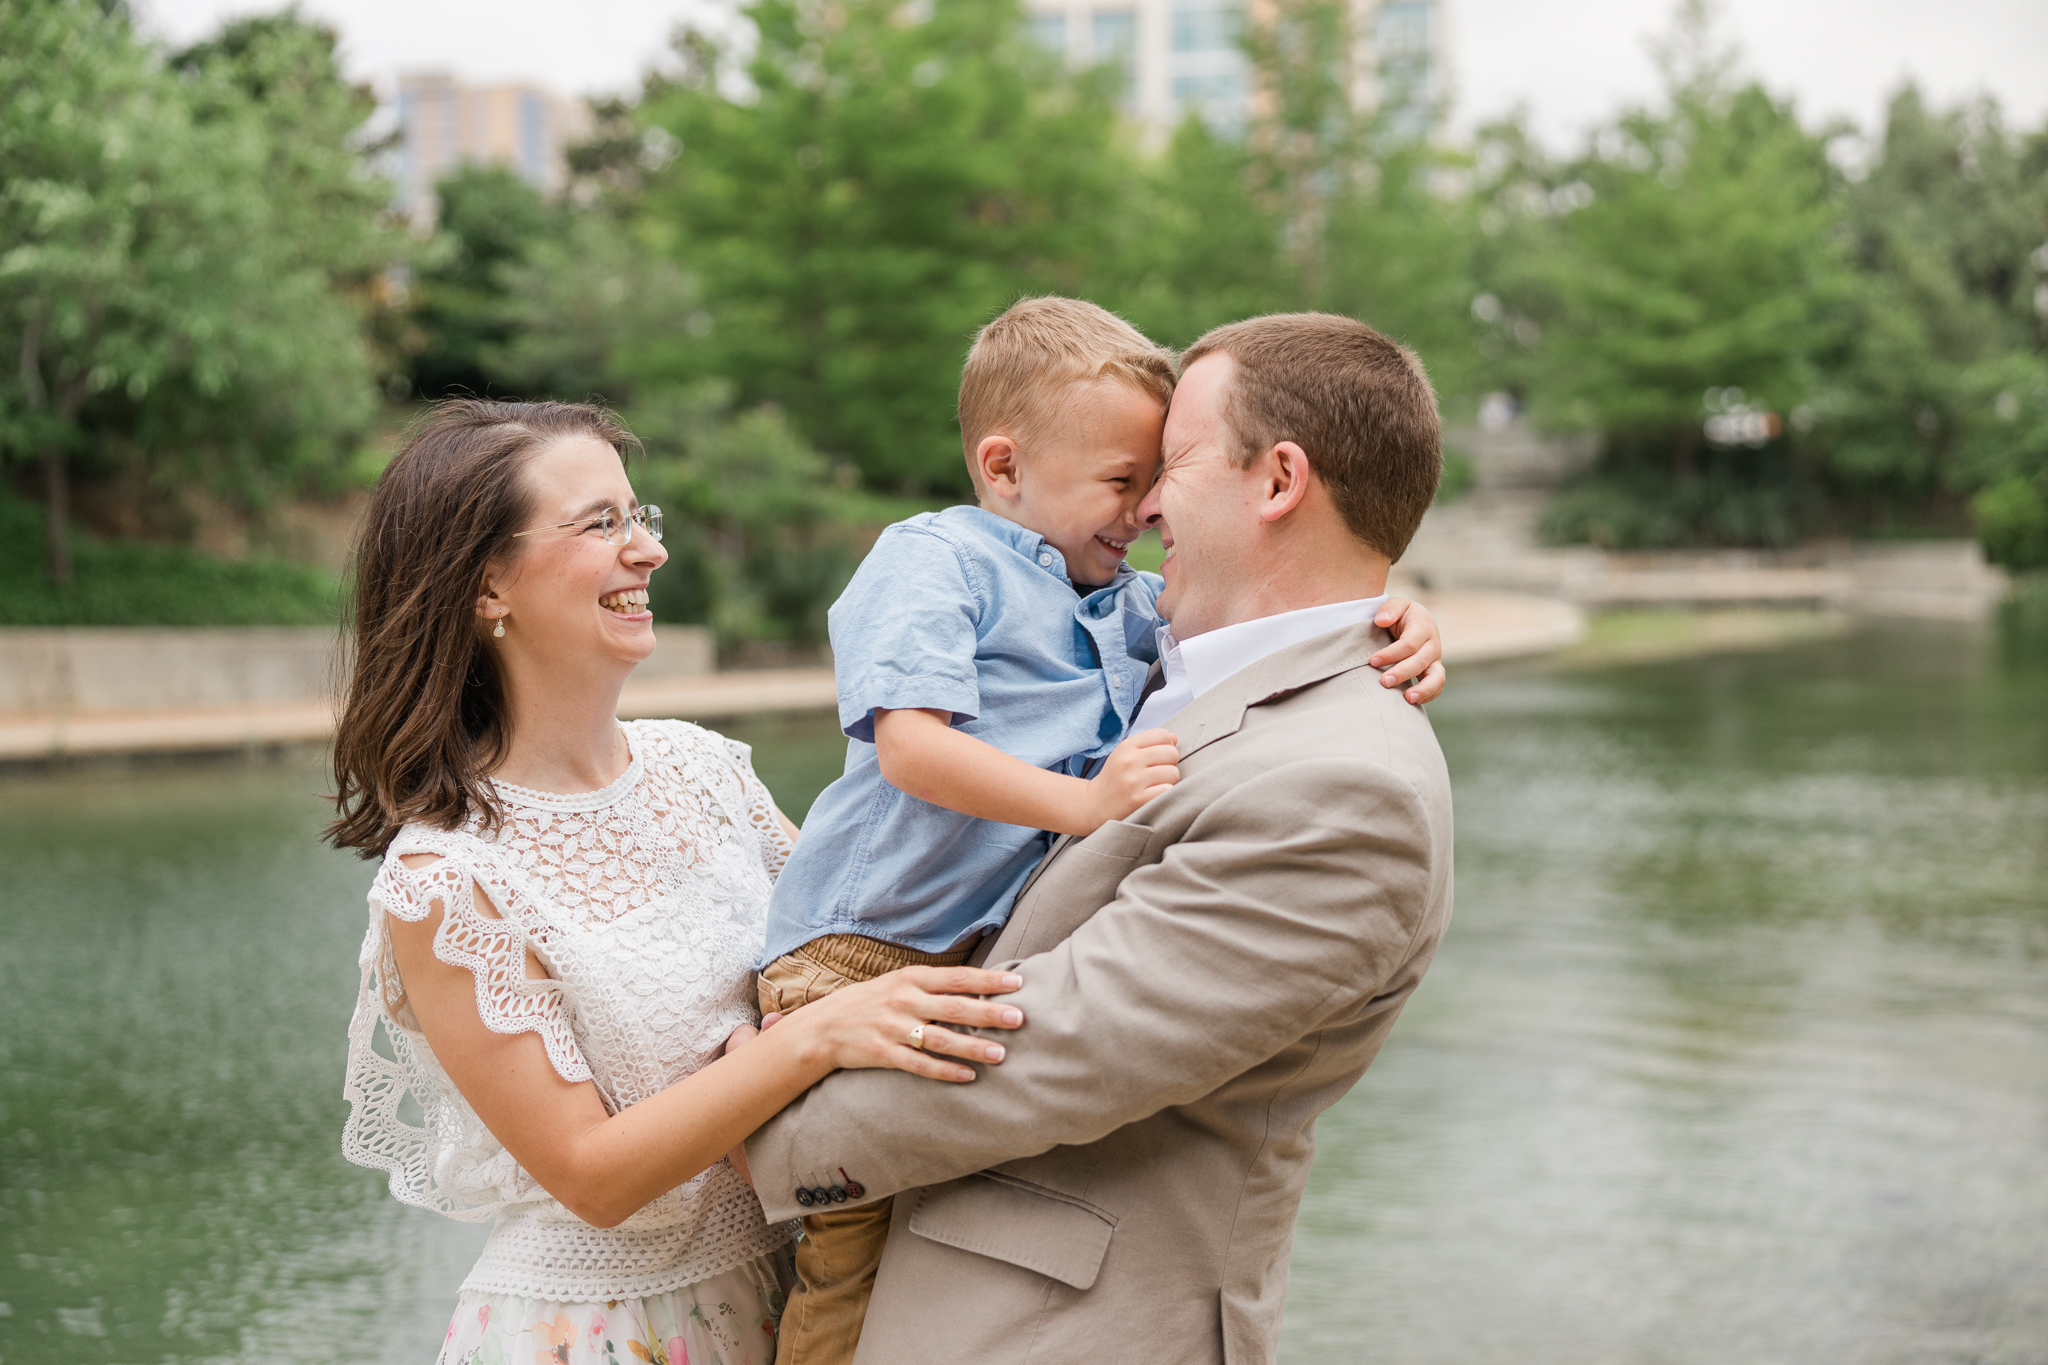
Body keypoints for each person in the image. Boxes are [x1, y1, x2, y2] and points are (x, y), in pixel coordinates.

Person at [743, 312, 1458, 1364]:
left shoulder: (1344, 786)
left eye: (1168, 462)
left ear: (1278, 482)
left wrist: (734, 1123)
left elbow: (1040, 1056)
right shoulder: (1161, 658)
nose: (1150, 504)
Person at [327, 400, 1026, 1365]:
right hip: (607, 1332)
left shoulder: (706, 771)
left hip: (803, 1290)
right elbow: (591, 1175)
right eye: (600, 523)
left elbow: (847, 945)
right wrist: (811, 1040)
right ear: (489, 585)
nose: (648, 550)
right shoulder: (446, 877)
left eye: (639, 516)